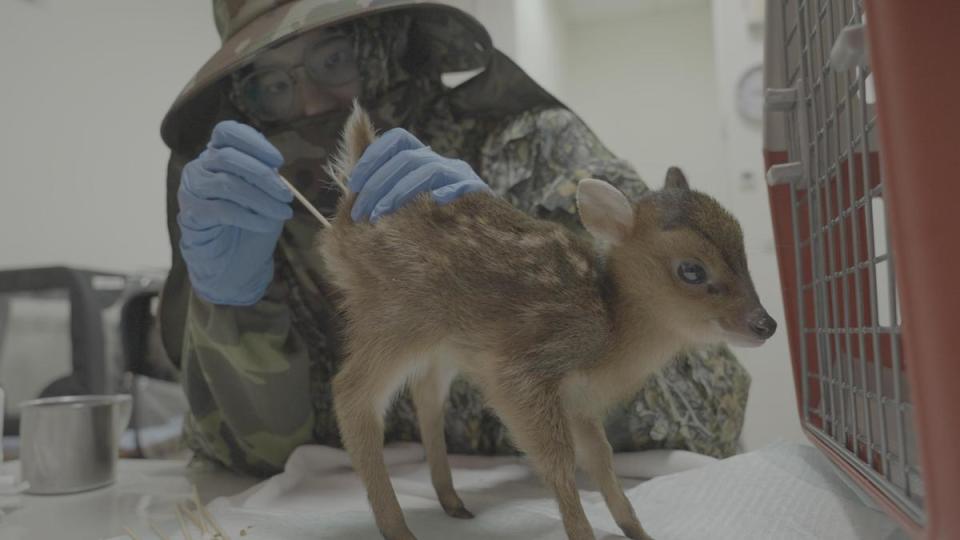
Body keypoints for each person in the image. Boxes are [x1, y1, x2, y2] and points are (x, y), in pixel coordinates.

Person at [159, 0, 751, 477]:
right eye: (271, 83)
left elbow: (707, 413)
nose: (309, 102)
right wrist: (231, 306)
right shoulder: (258, 211)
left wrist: (504, 258)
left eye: (334, 58)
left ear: (393, 42)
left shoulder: (532, 148)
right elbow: (249, 459)